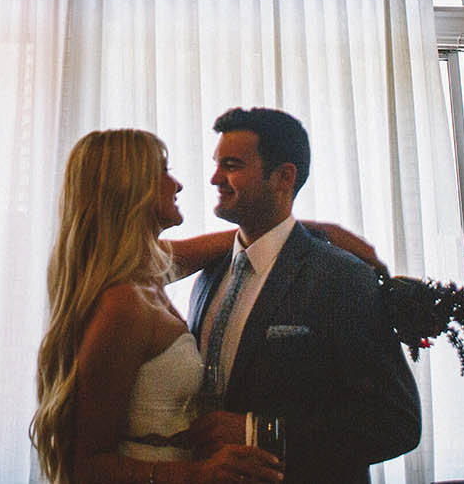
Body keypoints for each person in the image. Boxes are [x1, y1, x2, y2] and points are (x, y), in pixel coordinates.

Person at [32, 129, 380, 484]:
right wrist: (195, 474)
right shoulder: (124, 304)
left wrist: (314, 233)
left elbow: (246, 241)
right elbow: (83, 466)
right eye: (163, 171)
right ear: (129, 187)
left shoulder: (146, 272)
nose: (178, 184)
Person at [187, 107, 420, 482]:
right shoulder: (210, 275)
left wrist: (260, 434)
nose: (215, 178)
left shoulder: (342, 277)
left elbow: (395, 422)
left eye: (231, 165)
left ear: (283, 177)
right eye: (217, 164)